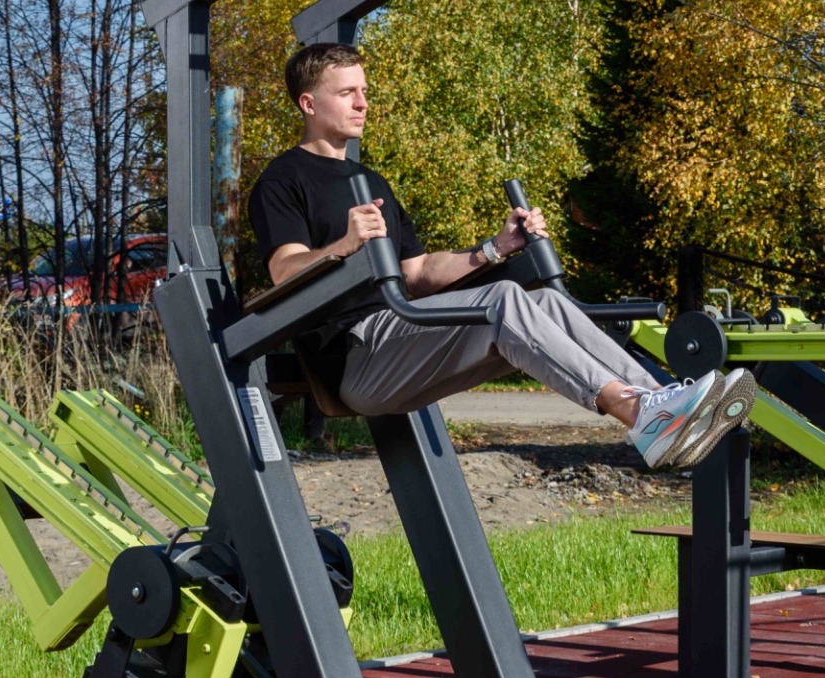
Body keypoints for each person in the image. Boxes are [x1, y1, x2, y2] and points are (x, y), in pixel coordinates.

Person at [247, 43, 755, 468]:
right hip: (358, 355)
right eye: (347, 93)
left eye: (364, 91)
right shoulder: (282, 180)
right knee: (504, 299)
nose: (363, 103)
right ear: (309, 104)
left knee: (547, 302)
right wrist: (343, 245)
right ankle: (640, 412)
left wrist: (494, 248)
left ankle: (660, 406)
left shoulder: (371, 181)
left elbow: (417, 272)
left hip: (404, 332)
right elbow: (283, 269)